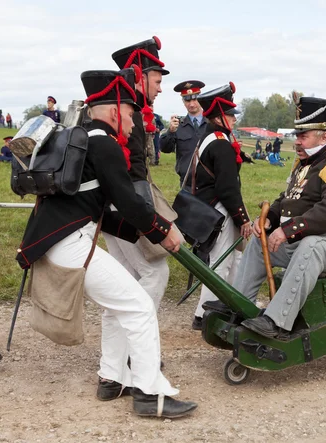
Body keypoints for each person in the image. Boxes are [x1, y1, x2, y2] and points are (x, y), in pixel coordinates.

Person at [16, 67, 197, 418]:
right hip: (70, 244)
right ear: (116, 110)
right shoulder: (104, 142)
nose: (133, 122)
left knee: (124, 302)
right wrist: (163, 231)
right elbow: (128, 201)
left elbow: (101, 210)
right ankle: (150, 394)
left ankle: (113, 377)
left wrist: (150, 232)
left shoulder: (82, 135)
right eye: (131, 113)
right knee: (141, 307)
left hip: (66, 240)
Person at [222, 96, 326, 338]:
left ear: (324, 137)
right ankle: (239, 307)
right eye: (297, 135)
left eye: (304, 136)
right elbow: (287, 199)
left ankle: (277, 322)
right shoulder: (307, 165)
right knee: (259, 246)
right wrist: (269, 220)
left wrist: (287, 230)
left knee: (310, 246)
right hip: (306, 240)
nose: (297, 141)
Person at [107, 36, 171, 309]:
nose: (160, 89)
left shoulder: (122, 106)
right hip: (125, 205)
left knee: (127, 279)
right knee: (155, 273)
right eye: (157, 81)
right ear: (139, 76)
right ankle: (139, 343)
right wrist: (149, 220)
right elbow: (133, 170)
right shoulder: (127, 112)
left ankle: (121, 351)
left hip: (110, 206)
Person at [191, 82, 252, 330]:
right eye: (229, 115)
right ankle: (203, 314)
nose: (233, 119)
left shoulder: (211, 136)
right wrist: (243, 219)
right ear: (218, 116)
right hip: (219, 210)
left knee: (235, 259)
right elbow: (228, 189)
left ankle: (239, 304)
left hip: (212, 206)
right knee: (221, 262)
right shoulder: (220, 143)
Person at [160, 80, 207, 185]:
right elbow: (165, 149)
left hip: (210, 182)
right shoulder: (178, 125)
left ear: (201, 98)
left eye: (195, 99)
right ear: (183, 101)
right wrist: (170, 132)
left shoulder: (212, 123)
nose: (191, 104)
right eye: (187, 101)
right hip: (187, 182)